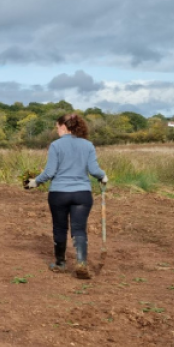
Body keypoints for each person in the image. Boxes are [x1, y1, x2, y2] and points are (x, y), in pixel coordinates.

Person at [27, 114, 107, 279]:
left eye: (57, 127)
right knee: (79, 228)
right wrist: (103, 176)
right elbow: (94, 170)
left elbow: (50, 172)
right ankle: (81, 262)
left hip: (59, 194)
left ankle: (60, 263)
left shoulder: (56, 146)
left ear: (64, 126)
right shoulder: (88, 145)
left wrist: (35, 182)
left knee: (60, 228)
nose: (56, 130)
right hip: (82, 194)